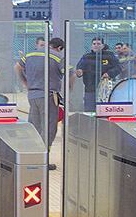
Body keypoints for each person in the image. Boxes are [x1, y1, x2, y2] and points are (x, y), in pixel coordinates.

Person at [15, 37, 66, 170]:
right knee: (49, 129)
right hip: (48, 96)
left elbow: (17, 66)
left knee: (35, 126)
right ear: (59, 48)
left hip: (32, 95)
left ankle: (32, 158)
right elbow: (69, 73)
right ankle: (43, 160)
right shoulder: (57, 57)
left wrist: (25, 82)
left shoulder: (30, 54)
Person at [75, 37, 121, 111]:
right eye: (94, 44)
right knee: (89, 111)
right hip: (90, 88)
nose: (96, 45)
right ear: (91, 46)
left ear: (103, 45)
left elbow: (118, 67)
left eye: (98, 44)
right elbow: (79, 68)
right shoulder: (87, 57)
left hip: (106, 89)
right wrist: (79, 72)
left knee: (104, 110)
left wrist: (109, 74)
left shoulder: (109, 55)